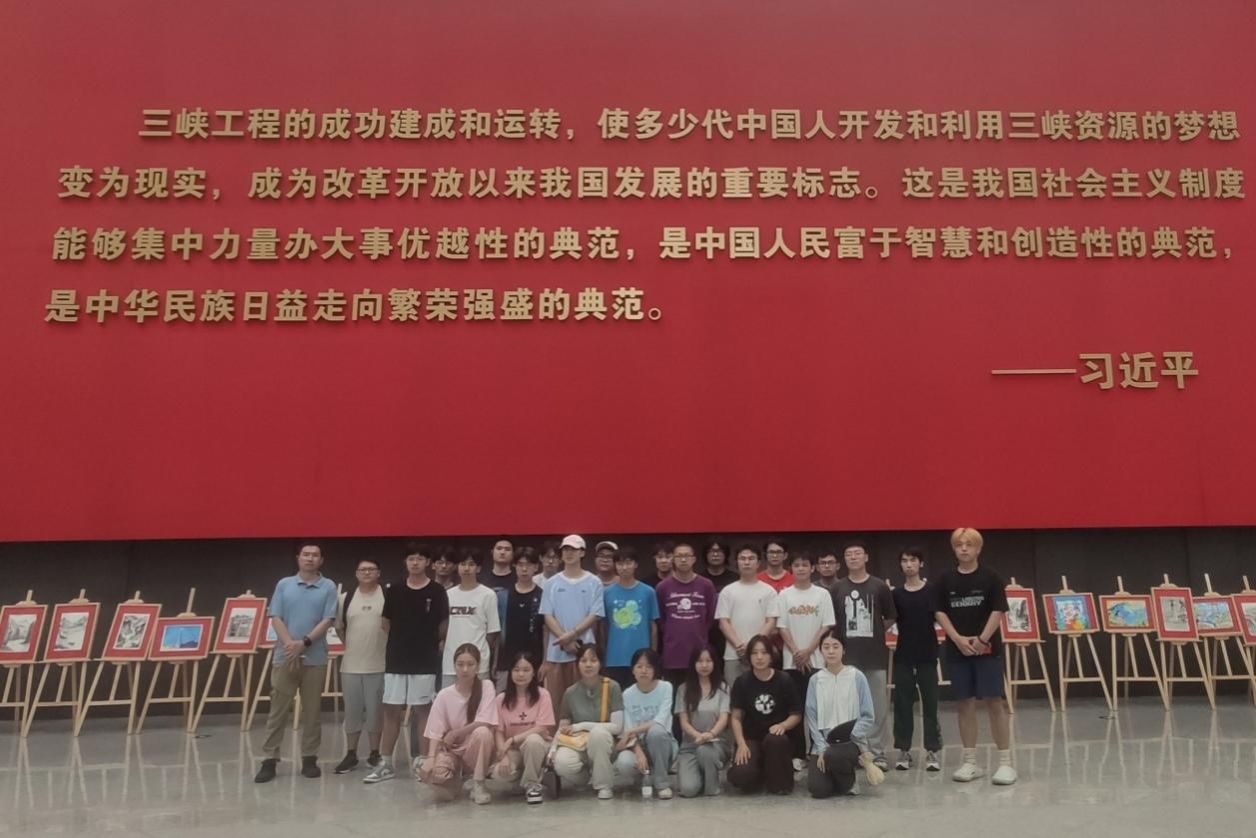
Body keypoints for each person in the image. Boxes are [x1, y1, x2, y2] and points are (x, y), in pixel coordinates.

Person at [935, 527, 1015, 785]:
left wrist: (982, 639)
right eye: (959, 545)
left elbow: (998, 610)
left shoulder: (991, 577)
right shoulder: (945, 579)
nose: (964, 549)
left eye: (969, 544)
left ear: (978, 548)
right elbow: (939, 611)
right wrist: (957, 639)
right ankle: (970, 761)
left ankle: (1005, 763)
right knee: (964, 703)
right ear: (954, 549)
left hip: (987, 650)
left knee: (994, 702)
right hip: (957, 650)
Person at [364, 544, 449, 784]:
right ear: (406, 562)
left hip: (424, 660)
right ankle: (386, 763)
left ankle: (423, 761)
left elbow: (443, 625)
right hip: (396, 659)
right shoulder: (395, 589)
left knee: (423, 711)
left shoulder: (437, 591)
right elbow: (386, 623)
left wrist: (426, 643)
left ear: (427, 562)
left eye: (420, 558)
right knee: (391, 710)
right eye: (411, 558)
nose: (415, 562)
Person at [255, 542, 339, 783]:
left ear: (321, 560)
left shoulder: (328, 586)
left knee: (312, 711)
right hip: (285, 657)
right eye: (306, 554)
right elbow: (275, 616)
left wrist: (304, 642)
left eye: (315, 555)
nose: (310, 558)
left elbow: (328, 619)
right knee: (278, 710)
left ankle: (309, 757)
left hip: (315, 657)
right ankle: (270, 759)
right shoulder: (284, 584)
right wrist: (290, 644)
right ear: (298, 558)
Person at [830, 540, 896, 770]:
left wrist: (873, 631)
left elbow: (890, 617)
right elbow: (833, 622)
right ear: (844, 560)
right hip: (847, 659)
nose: (853, 557)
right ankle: (858, 751)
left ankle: (877, 753)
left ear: (866, 557)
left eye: (857, 553)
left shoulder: (879, 586)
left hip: (874, 656)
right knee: (849, 708)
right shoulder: (837, 588)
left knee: (877, 707)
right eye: (849, 554)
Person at [804, 630, 884, 798]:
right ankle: (834, 777)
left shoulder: (857, 677)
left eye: (835, 646)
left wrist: (851, 735)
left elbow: (868, 715)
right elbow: (811, 717)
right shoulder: (815, 680)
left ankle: (848, 780)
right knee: (818, 790)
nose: (831, 651)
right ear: (821, 651)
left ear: (844, 650)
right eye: (826, 647)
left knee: (836, 755)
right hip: (823, 744)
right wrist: (821, 748)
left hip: (850, 743)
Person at [776, 551, 836, 769]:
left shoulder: (822, 594)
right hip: (791, 662)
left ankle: (817, 749)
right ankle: (797, 754)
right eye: (796, 565)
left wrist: (809, 650)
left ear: (813, 568)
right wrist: (796, 652)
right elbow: (781, 626)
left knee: (817, 708)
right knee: (794, 708)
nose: (800, 568)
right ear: (791, 568)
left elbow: (826, 625)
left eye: (805, 565)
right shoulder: (784, 595)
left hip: (816, 661)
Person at [419, 644, 498, 804]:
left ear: (478, 667)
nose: (465, 669)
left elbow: (485, 720)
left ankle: (478, 783)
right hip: (453, 751)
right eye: (460, 664)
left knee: (482, 732)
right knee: (437, 777)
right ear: (454, 666)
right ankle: (455, 780)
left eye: (470, 664)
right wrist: (431, 757)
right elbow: (435, 730)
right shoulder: (444, 695)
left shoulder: (486, 687)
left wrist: (456, 733)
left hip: (475, 750)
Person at [727, 635, 802, 795]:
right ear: (749, 657)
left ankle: (779, 779)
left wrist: (783, 725)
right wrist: (741, 744)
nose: (759, 657)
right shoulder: (742, 682)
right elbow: (736, 717)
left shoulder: (784, 680)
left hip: (777, 739)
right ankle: (759, 771)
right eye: (754, 653)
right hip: (751, 739)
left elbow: (796, 714)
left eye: (764, 652)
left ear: (771, 655)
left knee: (775, 740)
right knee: (742, 776)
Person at [539, 535, 605, 712]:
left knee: (585, 704)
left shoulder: (594, 582)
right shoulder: (551, 583)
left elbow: (595, 614)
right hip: (556, 652)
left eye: (574, 550)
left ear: (582, 553)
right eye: (566, 549)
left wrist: (573, 634)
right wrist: (564, 639)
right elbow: (547, 615)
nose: (569, 553)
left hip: (584, 652)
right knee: (556, 703)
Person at [891, 547, 942, 772]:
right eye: (904, 560)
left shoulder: (932, 591)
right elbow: (889, 620)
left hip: (928, 655)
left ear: (921, 564)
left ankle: (932, 750)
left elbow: (941, 617)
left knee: (930, 704)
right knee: (902, 704)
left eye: (913, 560)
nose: (908, 564)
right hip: (904, 654)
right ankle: (903, 750)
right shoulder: (896, 594)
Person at [335, 558, 387, 774]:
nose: (367, 573)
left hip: (379, 664)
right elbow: (340, 628)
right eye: (362, 569)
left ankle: (375, 753)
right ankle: (351, 753)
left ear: (378, 573)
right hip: (351, 665)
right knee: (352, 712)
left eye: (371, 569)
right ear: (356, 573)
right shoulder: (345, 598)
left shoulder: (386, 596)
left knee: (375, 712)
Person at [553, 643, 624, 800]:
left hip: (605, 744)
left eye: (593, 660)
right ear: (577, 664)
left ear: (600, 663)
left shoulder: (612, 687)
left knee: (598, 734)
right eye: (583, 661)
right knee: (561, 762)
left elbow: (617, 727)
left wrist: (582, 726)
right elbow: (563, 726)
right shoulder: (570, 692)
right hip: (578, 744)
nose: (588, 665)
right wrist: (553, 749)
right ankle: (584, 779)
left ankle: (603, 785)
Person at [491, 650, 556, 804]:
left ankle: (532, 785)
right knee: (500, 774)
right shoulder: (501, 699)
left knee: (533, 740)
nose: (521, 674)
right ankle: (534, 778)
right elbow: (498, 732)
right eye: (517, 669)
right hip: (513, 751)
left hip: (538, 747)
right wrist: (504, 756)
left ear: (534, 673)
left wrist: (513, 739)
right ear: (510, 672)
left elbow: (541, 727)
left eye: (526, 670)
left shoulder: (543, 695)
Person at [614, 648, 678, 798]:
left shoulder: (665, 687)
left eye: (649, 666)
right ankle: (644, 778)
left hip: (663, 743)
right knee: (624, 762)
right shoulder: (627, 694)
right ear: (633, 670)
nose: (644, 671)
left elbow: (660, 721)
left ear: (655, 669)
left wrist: (632, 731)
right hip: (637, 744)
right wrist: (638, 752)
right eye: (639, 666)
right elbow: (628, 728)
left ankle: (662, 784)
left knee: (655, 732)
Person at [715, 545, 779, 684]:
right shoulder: (727, 591)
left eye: (751, 558)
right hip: (733, 654)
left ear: (758, 563)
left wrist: (753, 647)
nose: (746, 562)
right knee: (734, 692)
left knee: (761, 692)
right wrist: (739, 645)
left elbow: (771, 622)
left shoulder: (769, 591)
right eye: (742, 558)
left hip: (761, 654)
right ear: (736, 562)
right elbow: (723, 623)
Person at [656, 542, 717, 683]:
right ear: (673, 559)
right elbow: (660, 619)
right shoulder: (663, 587)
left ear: (694, 559)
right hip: (673, 653)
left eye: (687, 556)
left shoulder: (706, 585)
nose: (683, 560)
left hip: (700, 654)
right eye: (679, 556)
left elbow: (710, 617)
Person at [674, 646, 730, 797]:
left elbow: (724, 718)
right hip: (690, 746)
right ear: (693, 664)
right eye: (699, 661)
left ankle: (712, 787)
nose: (704, 665)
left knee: (705, 751)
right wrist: (698, 736)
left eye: (708, 661)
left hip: (716, 744)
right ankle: (698, 773)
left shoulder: (723, 688)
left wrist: (710, 735)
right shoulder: (683, 689)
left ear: (714, 663)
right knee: (688, 790)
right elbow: (684, 722)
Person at [444, 549, 501, 688]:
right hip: (450, 663)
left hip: (479, 663)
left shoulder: (488, 595)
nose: (466, 568)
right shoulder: (447, 595)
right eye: (463, 564)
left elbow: (492, 632)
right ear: (457, 567)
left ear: (479, 568)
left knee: (479, 699)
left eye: (471, 564)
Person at [602, 549, 659, 687]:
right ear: (615, 565)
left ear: (636, 564)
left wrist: (653, 655)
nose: (624, 567)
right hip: (614, 658)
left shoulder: (648, 592)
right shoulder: (607, 593)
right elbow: (603, 627)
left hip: (642, 660)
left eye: (628, 563)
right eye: (620, 563)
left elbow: (653, 627)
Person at [499, 548, 545, 691]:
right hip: (507, 658)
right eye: (520, 564)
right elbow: (498, 631)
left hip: (535, 659)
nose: (524, 569)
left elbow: (546, 631)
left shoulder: (543, 596)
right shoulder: (503, 595)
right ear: (514, 566)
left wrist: (545, 661)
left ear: (536, 567)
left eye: (529, 565)